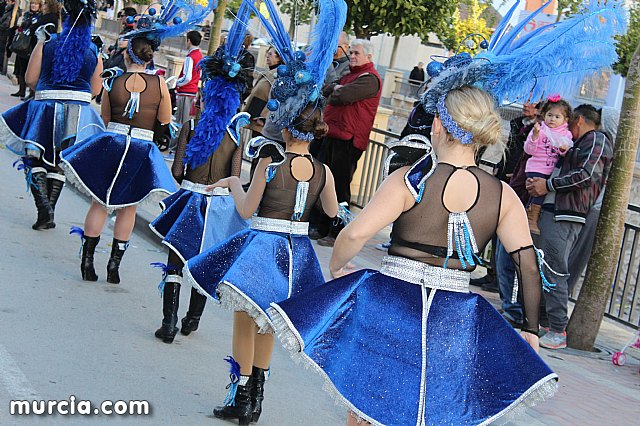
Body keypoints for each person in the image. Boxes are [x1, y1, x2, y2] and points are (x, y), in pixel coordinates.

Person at [269, 86, 557, 425]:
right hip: (453, 319)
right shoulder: (503, 195)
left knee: (367, 406)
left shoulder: (411, 179)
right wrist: (531, 329)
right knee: (431, 408)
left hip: (391, 305)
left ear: (437, 124)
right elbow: (527, 264)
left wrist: (336, 267)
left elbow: (356, 233)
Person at [182, 1, 345, 423]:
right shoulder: (324, 171)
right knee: (270, 324)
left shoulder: (269, 166)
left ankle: (239, 398)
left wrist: (234, 183)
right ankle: (256, 401)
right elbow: (331, 214)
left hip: (260, 248)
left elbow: (246, 207)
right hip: (298, 254)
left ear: (285, 123)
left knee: (243, 322)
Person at [151, 13, 255, 344]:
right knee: (205, 263)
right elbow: (235, 176)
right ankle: (191, 319)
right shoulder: (238, 135)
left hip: (190, 201)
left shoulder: (191, 127)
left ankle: (168, 323)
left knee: (175, 262)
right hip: (221, 207)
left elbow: (177, 171)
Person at [0, 0, 103, 230]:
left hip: (45, 107)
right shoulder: (93, 49)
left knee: (35, 158)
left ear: (64, 18)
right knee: (59, 163)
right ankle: (48, 210)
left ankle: (44, 209)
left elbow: (30, 80)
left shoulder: (48, 41)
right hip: (78, 113)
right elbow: (96, 90)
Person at [527, 104, 613, 349]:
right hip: (557, 210)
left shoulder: (596, 140)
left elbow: (587, 175)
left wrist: (549, 185)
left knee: (555, 268)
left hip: (567, 214)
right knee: (546, 266)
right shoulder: (580, 143)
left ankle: (557, 328)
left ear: (578, 121)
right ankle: (545, 322)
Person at [314, 38, 382, 246]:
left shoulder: (369, 78)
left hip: (348, 139)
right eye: (351, 52)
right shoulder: (350, 75)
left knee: (340, 187)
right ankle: (322, 225)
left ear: (369, 57)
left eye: (356, 53)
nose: (352, 56)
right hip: (333, 134)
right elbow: (330, 90)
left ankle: (337, 231)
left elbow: (340, 96)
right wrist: (334, 89)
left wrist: (334, 90)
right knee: (325, 183)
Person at [523, 96, 573, 234]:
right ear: (544, 115)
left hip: (552, 171)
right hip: (536, 167)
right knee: (538, 192)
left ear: (565, 119)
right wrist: (534, 137)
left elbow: (566, 151)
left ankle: (529, 216)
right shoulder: (540, 130)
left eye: (557, 116)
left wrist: (563, 149)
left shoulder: (566, 134)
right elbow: (529, 150)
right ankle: (531, 219)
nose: (552, 119)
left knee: (540, 194)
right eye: (550, 115)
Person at [11, 0, 41, 99]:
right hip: (22, 44)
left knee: (30, 68)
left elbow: (34, 29)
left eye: (36, 4)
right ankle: (21, 90)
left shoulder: (39, 17)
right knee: (21, 67)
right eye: (32, 4)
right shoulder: (27, 15)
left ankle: (31, 92)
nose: (33, 5)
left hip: (32, 44)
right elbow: (22, 26)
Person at [174, 30, 203, 127]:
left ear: (189, 41)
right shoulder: (199, 55)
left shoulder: (190, 57)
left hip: (185, 91)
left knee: (180, 121)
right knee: (187, 120)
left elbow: (187, 77)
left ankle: (177, 141)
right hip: (193, 91)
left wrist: (177, 83)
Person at [0, 0, 19, 74]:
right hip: (3, 33)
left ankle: (1, 67)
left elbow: (7, 23)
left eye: (8, 1)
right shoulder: (7, 10)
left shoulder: (13, 11)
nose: (7, 2)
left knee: (3, 50)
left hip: (6, 33)